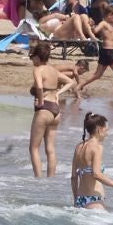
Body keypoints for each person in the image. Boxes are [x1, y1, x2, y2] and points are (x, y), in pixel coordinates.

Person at [28, 41, 74, 179]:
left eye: (32, 58)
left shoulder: (38, 70)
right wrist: (59, 93)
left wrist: (41, 101)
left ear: (37, 57)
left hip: (44, 109)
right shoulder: (54, 70)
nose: (32, 61)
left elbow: (40, 87)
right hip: (56, 110)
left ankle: (38, 180)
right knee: (50, 149)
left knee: (34, 148)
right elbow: (71, 82)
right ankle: (51, 181)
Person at [68, 111, 113, 210]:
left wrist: (76, 199)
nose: (106, 134)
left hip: (80, 199)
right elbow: (96, 174)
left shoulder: (78, 147)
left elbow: (73, 177)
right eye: (106, 130)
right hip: (94, 199)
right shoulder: (97, 147)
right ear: (99, 129)